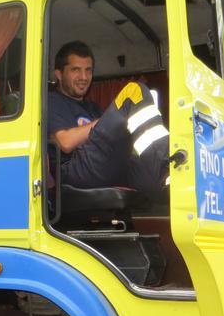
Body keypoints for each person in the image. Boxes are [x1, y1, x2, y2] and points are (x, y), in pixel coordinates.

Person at [48, 40, 169, 199]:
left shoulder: (92, 107)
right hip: (74, 170)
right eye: (76, 70)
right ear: (59, 74)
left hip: (105, 167)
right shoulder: (52, 101)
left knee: (147, 171)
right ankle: (164, 165)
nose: (84, 77)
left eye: (88, 70)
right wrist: (109, 121)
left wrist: (115, 122)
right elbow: (64, 142)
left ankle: (168, 177)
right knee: (134, 91)